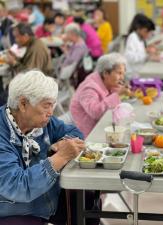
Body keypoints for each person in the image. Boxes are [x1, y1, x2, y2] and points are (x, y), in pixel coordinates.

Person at [0, 70, 99, 225]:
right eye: (47, 105)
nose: (51, 112)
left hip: (46, 197)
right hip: (13, 209)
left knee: (86, 202)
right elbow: (17, 186)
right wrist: (60, 157)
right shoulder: (3, 134)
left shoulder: (40, 122)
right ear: (23, 104)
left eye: (53, 105)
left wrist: (61, 144)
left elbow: (74, 132)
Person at [70, 53, 131, 138]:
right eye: (119, 73)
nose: (122, 77)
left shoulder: (107, 81)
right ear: (106, 73)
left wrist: (118, 90)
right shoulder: (89, 88)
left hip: (102, 125)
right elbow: (95, 112)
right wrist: (117, 94)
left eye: (123, 73)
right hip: (88, 134)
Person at [124, 14, 157, 78]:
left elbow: (142, 56)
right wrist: (146, 51)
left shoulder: (140, 39)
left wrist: (149, 54)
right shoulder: (132, 37)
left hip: (140, 71)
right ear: (139, 28)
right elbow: (130, 58)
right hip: (133, 75)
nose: (148, 35)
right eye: (146, 32)